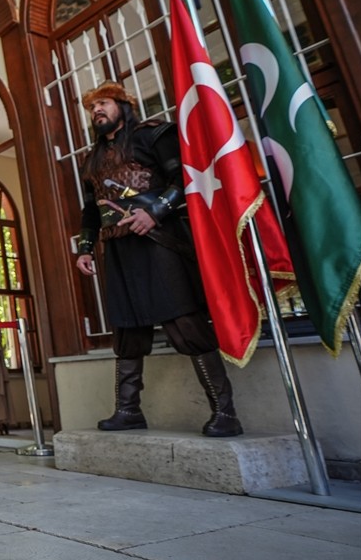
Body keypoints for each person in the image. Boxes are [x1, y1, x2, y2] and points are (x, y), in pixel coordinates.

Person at [74, 81, 241, 438]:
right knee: (126, 329)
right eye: (92, 108)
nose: (96, 111)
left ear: (123, 104)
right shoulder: (92, 159)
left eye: (102, 103)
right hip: (119, 249)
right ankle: (128, 410)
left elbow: (183, 179)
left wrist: (154, 211)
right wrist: (85, 248)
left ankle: (225, 413)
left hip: (159, 241)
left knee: (185, 321)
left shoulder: (153, 135)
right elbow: (92, 209)